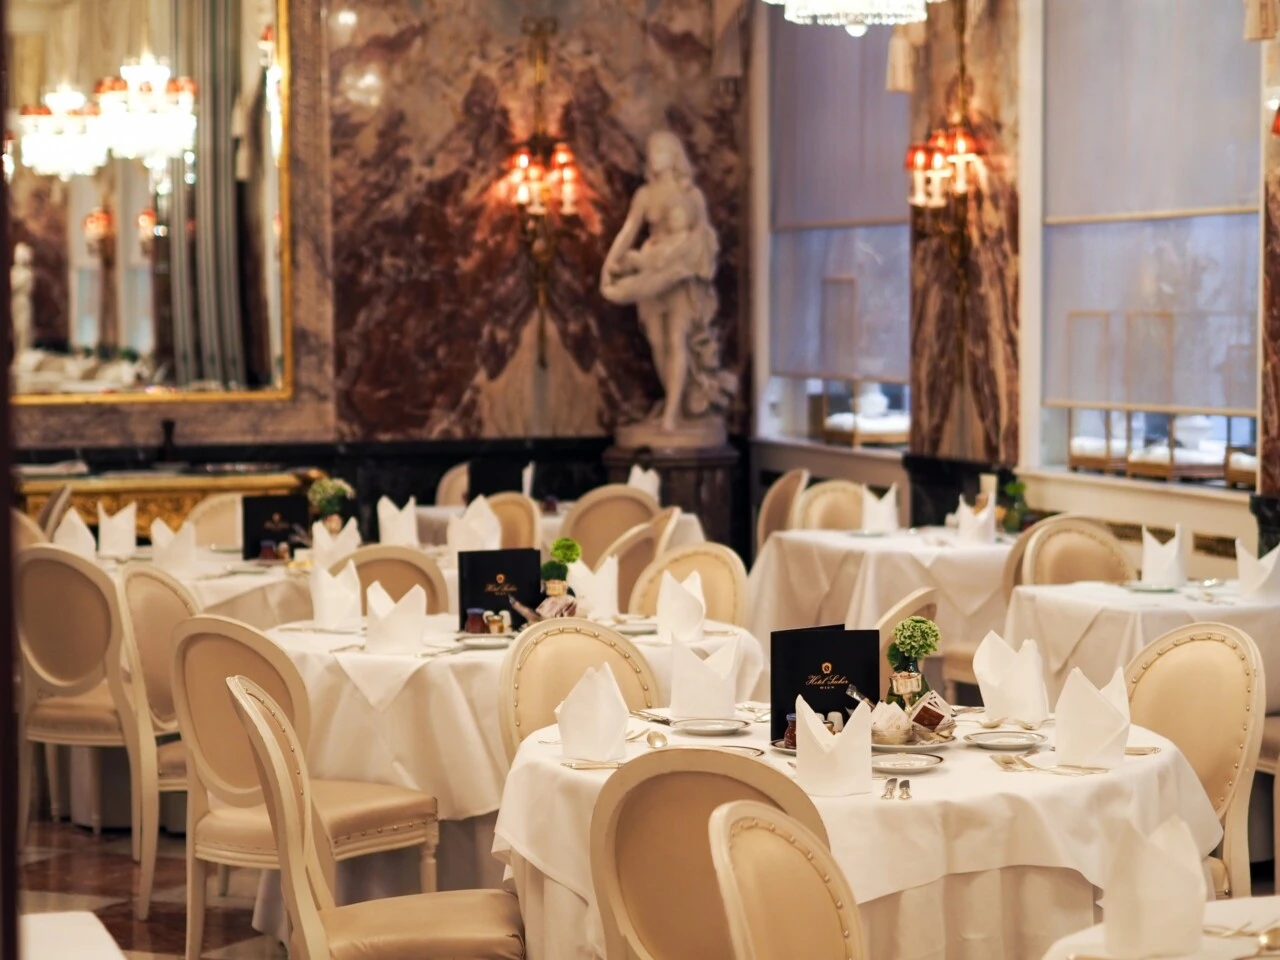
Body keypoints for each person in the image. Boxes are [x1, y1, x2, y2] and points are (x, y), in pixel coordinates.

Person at [601, 131, 734, 432]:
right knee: (657, 341)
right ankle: (676, 399)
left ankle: (672, 413)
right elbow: (628, 231)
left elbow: (705, 236)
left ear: (674, 154)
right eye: (651, 151)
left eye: (661, 150)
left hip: (680, 276)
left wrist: (686, 257)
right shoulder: (645, 196)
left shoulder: (691, 195)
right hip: (652, 275)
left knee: (677, 338)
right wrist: (609, 264)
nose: (654, 156)